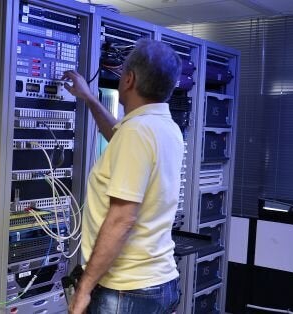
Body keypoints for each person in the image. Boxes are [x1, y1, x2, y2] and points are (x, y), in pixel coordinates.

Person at [63, 38, 183, 314]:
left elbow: (121, 219)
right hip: (158, 283)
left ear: (128, 79)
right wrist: (90, 99)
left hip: (126, 290)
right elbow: (118, 136)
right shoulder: (164, 128)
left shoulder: (137, 132)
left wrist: (84, 289)